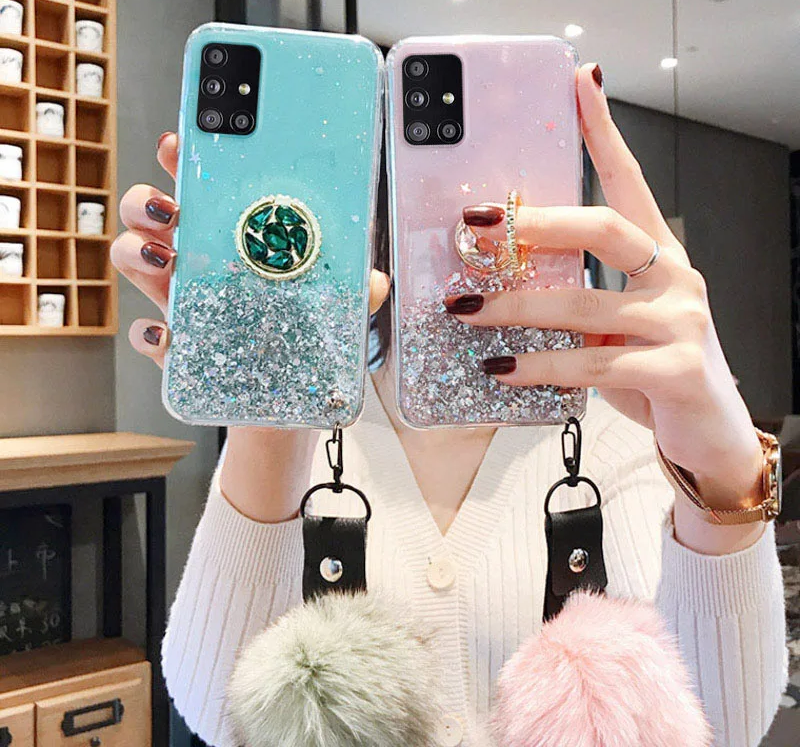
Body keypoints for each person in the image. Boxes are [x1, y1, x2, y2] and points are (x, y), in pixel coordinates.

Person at [112, 63, 786, 747]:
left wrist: (725, 473)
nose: (475, 232)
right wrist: (272, 426)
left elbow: (723, 728)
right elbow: (218, 717)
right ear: (378, 207)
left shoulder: (628, 423)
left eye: (518, 178)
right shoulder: (311, 434)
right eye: (434, 187)